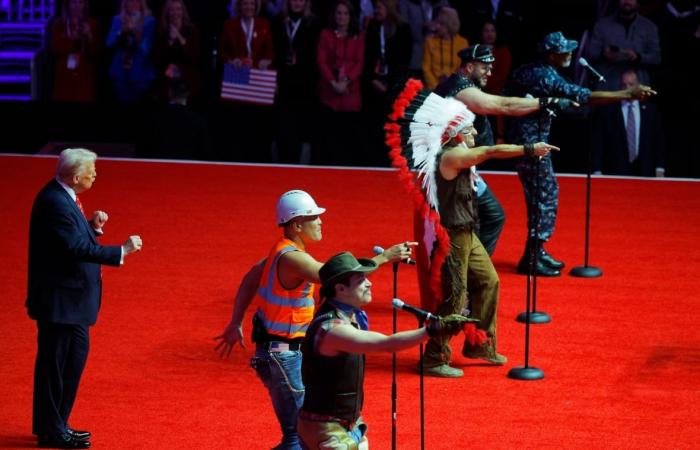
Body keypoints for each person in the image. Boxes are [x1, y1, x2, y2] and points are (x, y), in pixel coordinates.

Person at [214, 190, 414, 450]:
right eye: (314, 217)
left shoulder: (280, 251)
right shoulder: (294, 258)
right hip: (285, 356)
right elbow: (336, 278)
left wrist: (235, 322)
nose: (320, 222)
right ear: (297, 225)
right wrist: (385, 257)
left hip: (280, 352)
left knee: (301, 436)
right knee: (298, 437)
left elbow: (249, 280)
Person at [386, 79, 558, 377]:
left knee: (489, 281)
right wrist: (528, 148)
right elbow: (488, 152)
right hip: (451, 236)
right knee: (453, 295)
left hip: (467, 232)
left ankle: (480, 342)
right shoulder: (452, 156)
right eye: (469, 129)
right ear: (454, 135)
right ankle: (435, 356)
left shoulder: (458, 154)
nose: (476, 133)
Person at [503, 31, 656, 276]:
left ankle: (537, 251)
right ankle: (532, 256)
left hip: (532, 142)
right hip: (530, 146)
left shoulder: (534, 70)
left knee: (545, 192)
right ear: (552, 54)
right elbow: (583, 96)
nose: (570, 54)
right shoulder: (543, 75)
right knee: (543, 195)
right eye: (565, 50)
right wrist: (627, 94)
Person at [26, 148, 142, 449]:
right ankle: (52, 430)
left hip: (70, 303)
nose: (95, 175)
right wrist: (121, 250)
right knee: (56, 368)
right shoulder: (55, 202)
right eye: (92, 171)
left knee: (70, 364)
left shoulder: (62, 197)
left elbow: (68, 241)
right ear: (76, 176)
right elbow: (73, 250)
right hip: (60, 303)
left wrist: (91, 228)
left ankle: (57, 425)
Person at [296, 251, 469, 449]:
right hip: (327, 430)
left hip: (345, 425)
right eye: (361, 280)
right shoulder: (333, 330)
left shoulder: (346, 315)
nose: (369, 284)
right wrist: (429, 331)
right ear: (341, 289)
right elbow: (386, 344)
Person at [433, 44, 571, 256]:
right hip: (452, 168)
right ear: (469, 67)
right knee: (475, 219)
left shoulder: (464, 85)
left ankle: (471, 267)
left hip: (464, 165)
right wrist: (544, 102)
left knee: (487, 216)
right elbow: (503, 106)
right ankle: (465, 269)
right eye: (484, 67)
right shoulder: (460, 89)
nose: (490, 72)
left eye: (491, 67)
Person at [592, 68, 666, 177]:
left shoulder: (650, 111)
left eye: (631, 85)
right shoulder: (608, 111)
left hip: (645, 170)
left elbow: (658, 140)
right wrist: (597, 169)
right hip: (615, 170)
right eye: (624, 85)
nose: (627, 89)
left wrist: (660, 167)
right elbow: (599, 142)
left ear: (638, 86)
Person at [586, 0, 662, 90]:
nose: (627, 1)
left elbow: (656, 58)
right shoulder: (602, 25)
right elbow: (591, 54)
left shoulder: (649, 27)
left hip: (638, 87)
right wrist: (604, 54)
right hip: (607, 86)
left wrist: (638, 57)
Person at [49, 0, 101, 102]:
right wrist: (73, 39)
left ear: (85, 5)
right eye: (74, 2)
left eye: (80, 2)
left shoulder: (92, 23)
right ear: (68, 4)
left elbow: (97, 51)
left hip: (84, 75)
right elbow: (55, 48)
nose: (77, 6)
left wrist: (89, 35)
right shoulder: (59, 24)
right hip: (64, 75)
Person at [105, 0, 157, 103]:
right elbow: (108, 43)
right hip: (120, 72)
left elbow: (148, 49)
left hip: (141, 72)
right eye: (130, 1)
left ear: (141, 3)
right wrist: (120, 32)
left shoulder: (149, 21)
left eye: (136, 1)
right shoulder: (117, 20)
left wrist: (139, 36)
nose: (133, 4)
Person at [153, 0, 201, 103]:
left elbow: (194, 56)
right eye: (172, 10)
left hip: (187, 79)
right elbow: (157, 58)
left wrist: (179, 37)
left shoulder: (192, 30)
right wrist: (170, 40)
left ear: (183, 11)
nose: (175, 13)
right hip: (167, 81)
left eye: (178, 9)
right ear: (167, 13)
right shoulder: (161, 31)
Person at [420, 6, 468, 89]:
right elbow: (426, 68)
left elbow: (463, 68)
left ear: (450, 25)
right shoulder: (430, 42)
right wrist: (436, 87)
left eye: (441, 24)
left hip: (455, 88)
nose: (437, 26)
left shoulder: (463, 43)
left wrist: (453, 86)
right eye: (437, 23)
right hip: (433, 88)